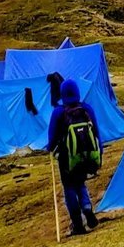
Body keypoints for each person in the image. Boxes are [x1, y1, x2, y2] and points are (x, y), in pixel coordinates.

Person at [46, 78, 103, 235]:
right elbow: (97, 133)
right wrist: (100, 155)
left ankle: (78, 224)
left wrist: (49, 148)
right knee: (80, 182)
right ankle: (86, 207)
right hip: (85, 155)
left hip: (67, 158)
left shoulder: (58, 112)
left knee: (69, 186)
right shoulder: (86, 109)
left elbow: (51, 138)